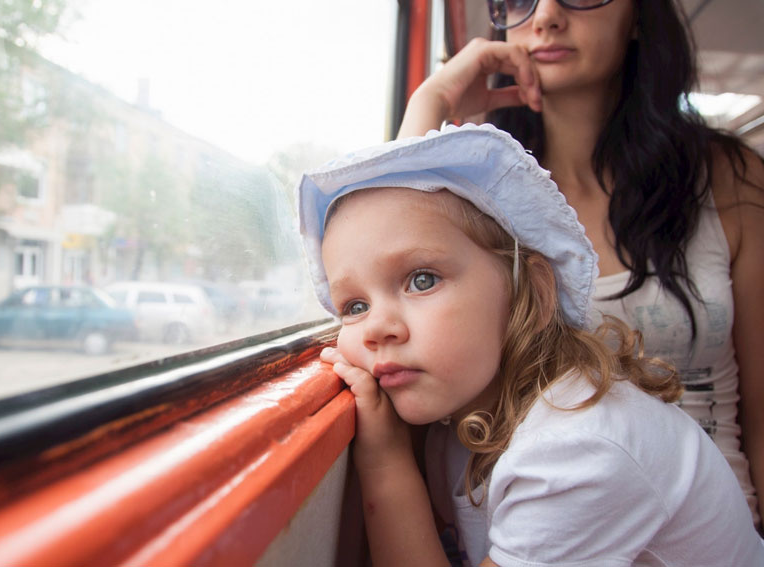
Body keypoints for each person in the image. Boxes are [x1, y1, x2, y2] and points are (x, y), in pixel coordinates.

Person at [297, 124, 764, 566]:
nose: (377, 327)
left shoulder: (578, 443)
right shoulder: (459, 426)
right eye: (353, 306)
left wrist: (385, 461)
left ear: (531, 291)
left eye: (422, 279)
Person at [396, 0, 764, 527]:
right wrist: (433, 100)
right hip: (544, 533)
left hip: (716, 534)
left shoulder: (727, 177)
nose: (545, 16)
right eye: (521, 0)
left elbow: (761, 406)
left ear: (638, 16)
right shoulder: (473, 193)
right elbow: (388, 270)